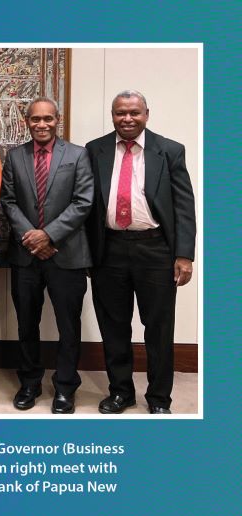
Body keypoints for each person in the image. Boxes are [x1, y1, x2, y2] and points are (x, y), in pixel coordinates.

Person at [86, 90, 196, 415]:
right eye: (121, 113)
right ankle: (121, 392)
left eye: (134, 112)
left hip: (156, 249)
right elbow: (87, 203)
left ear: (147, 113)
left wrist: (185, 254)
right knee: (114, 326)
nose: (127, 119)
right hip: (109, 249)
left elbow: (184, 206)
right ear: (112, 115)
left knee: (159, 328)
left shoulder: (170, 151)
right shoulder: (96, 150)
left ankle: (160, 398)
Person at [1, 97, 93, 413]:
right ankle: (29, 383)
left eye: (48, 119)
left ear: (58, 120)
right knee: (27, 323)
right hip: (26, 255)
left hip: (66, 254)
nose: (42, 124)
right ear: (27, 121)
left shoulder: (78, 155)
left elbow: (83, 202)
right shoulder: (14, 157)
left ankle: (66, 387)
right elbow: (8, 201)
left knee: (69, 325)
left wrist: (49, 235)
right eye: (36, 119)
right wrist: (33, 238)